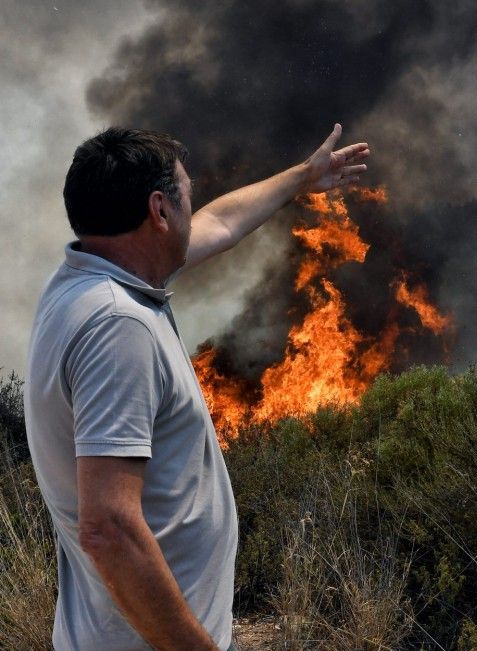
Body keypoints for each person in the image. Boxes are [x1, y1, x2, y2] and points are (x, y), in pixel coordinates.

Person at [24, 125, 370, 650]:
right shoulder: (119, 325)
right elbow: (108, 528)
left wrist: (302, 178)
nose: (196, 205)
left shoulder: (86, 281)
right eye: (187, 193)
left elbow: (221, 222)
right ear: (160, 210)